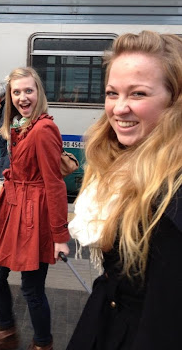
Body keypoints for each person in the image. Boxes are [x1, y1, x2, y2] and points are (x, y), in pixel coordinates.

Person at [67, 30, 182, 350]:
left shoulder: (171, 198)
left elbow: (164, 324)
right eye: (112, 93)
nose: (118, 109)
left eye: (138, 94)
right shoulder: (120, 165)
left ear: (176, 100)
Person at [0, 67, 70, 350]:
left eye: (29, 90)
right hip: (13, 209)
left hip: (34, 216)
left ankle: (42, 344)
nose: (23, 97)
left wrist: (60, 236)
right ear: (10, 96)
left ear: (39, 93)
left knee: (32, 289)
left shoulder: (43, 129)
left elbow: (54, 184)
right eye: (17, 92)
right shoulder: (18, 125)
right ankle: (6, 334)